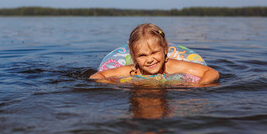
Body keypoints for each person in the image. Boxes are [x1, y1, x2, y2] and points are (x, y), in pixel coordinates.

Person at [90, 23, 219, 84]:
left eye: (154, 53)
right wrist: (111, 83)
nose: (150, 59)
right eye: (142, 55)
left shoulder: (173, 66)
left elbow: (212, 72)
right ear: (134, 56)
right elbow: (96, 76)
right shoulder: (133, 71)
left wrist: (199, 86)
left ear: (164, 50)